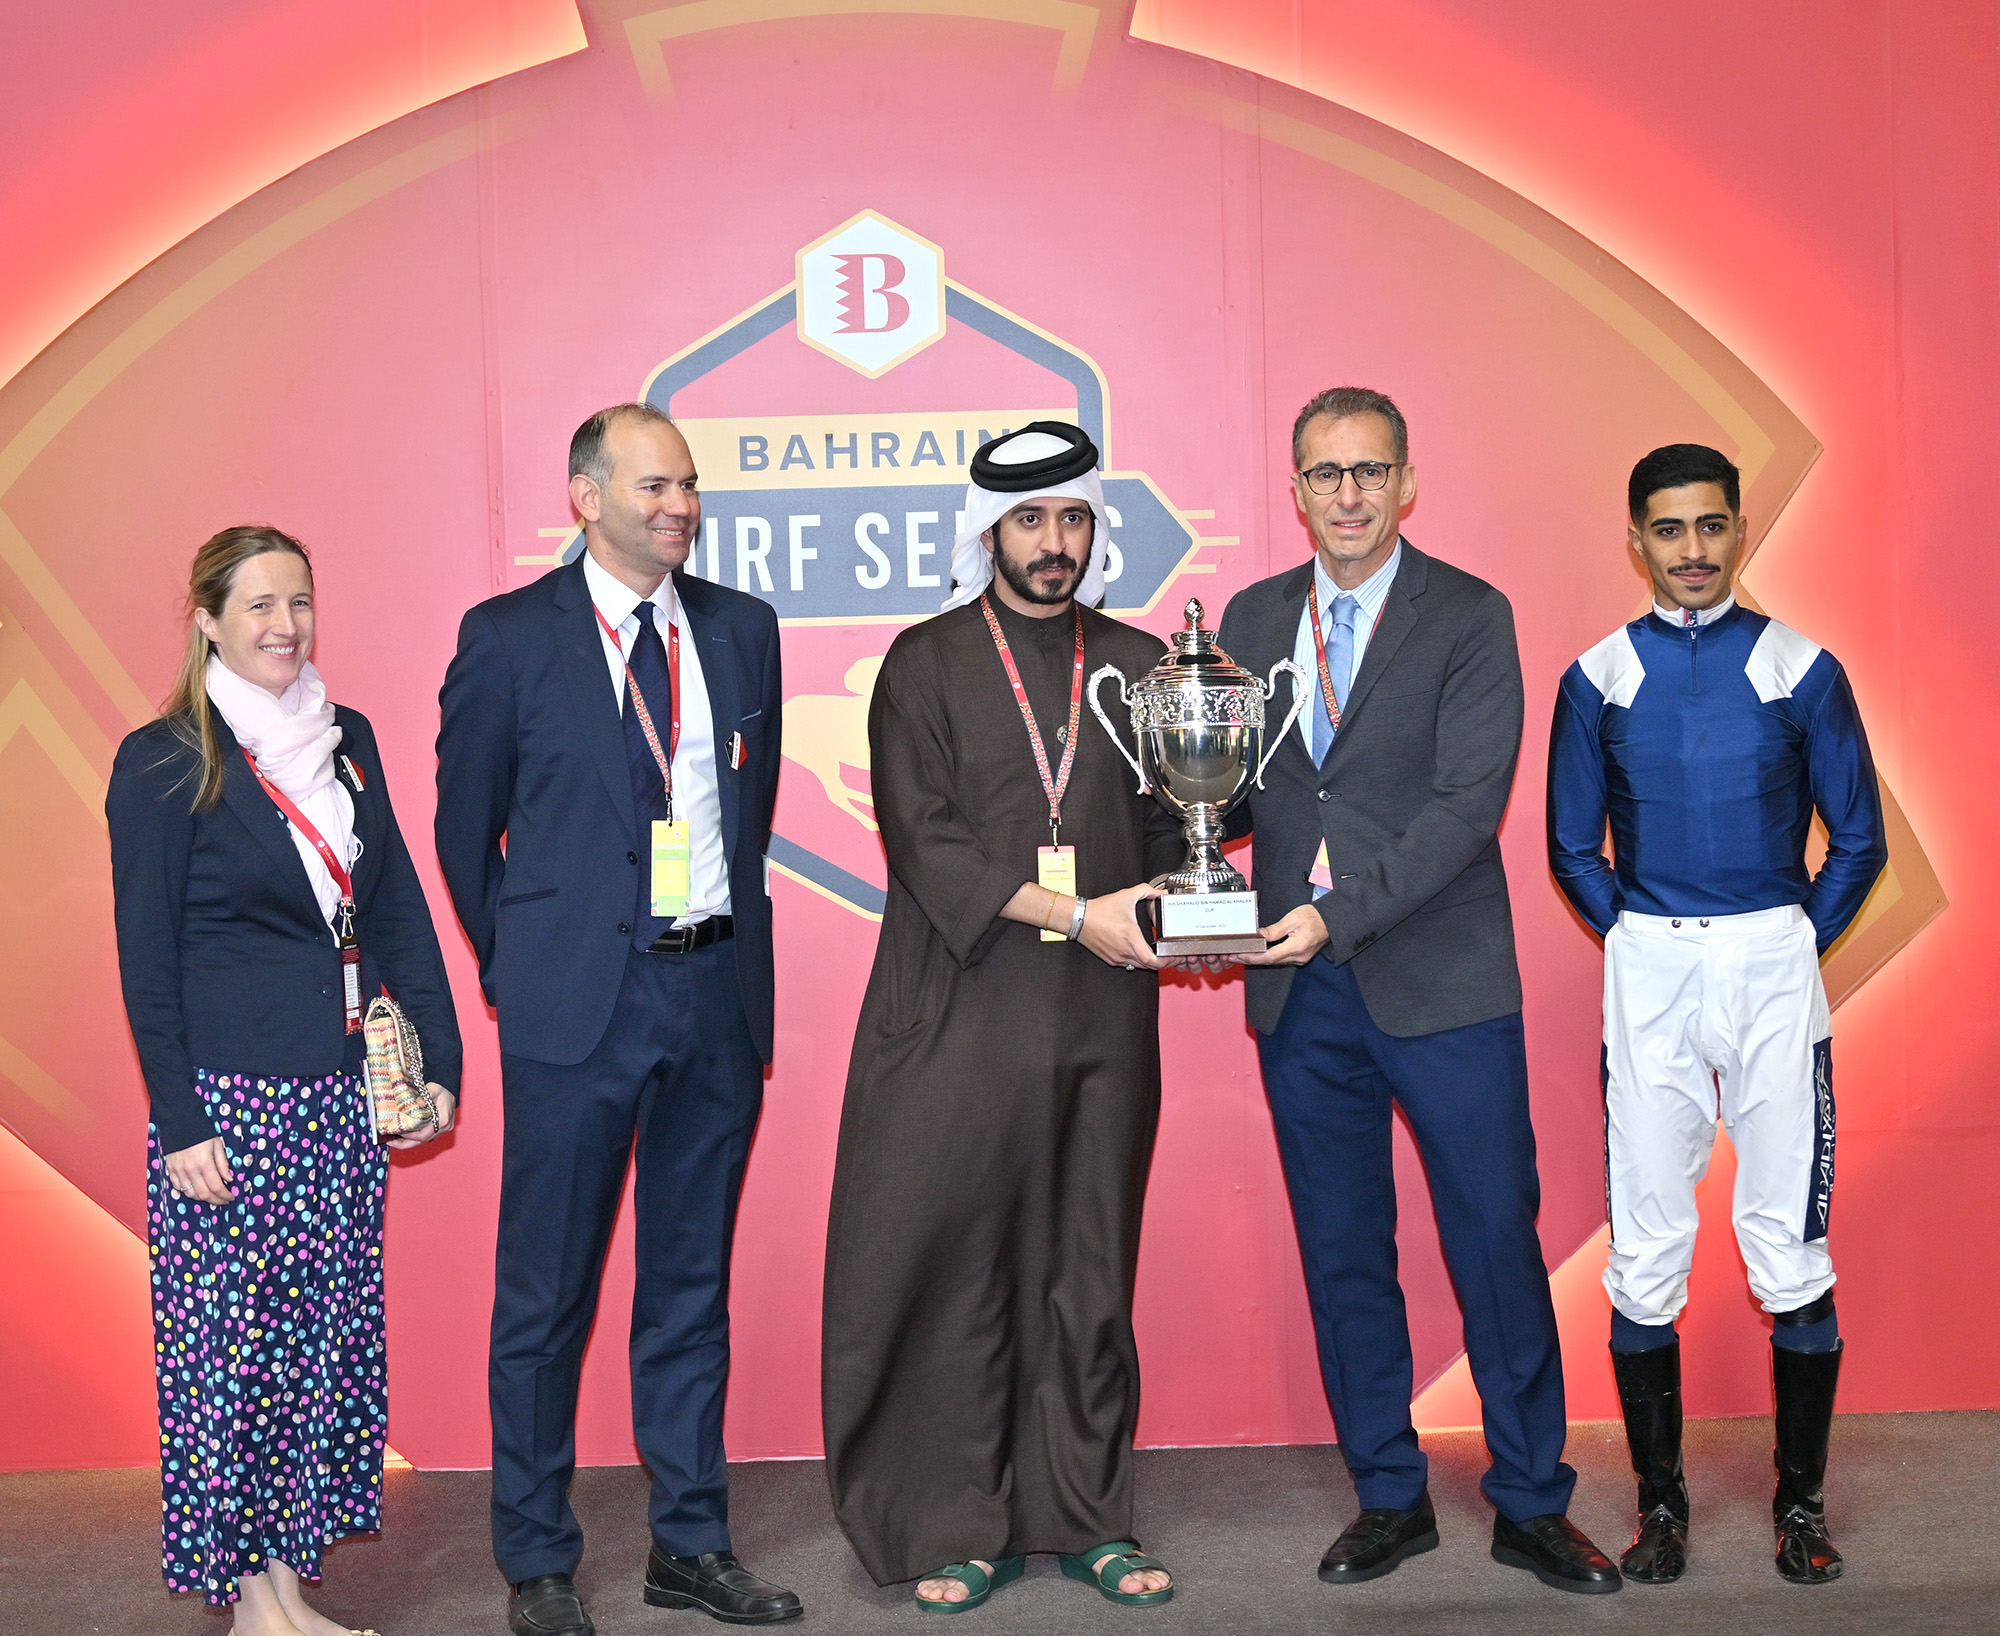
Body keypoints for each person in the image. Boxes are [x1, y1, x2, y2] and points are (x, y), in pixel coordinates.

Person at [1214, 387, 1620, 1595]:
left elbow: (1462, 810)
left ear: (1405, 483)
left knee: (1493, 1239)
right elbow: (1229, 793)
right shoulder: (1250, 616)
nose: (1346, 494)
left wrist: (1331, 914)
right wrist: (1167, 859)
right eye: (1324, 473)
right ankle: (1386, 1493)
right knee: (1343, 1249)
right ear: (1295, 490)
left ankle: (1530, 1499)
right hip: (1299, 996)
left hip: (1441, 982)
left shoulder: (1468, 614)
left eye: (1368, 471)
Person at [435, 404, 796, 1634]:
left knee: (689, 1288)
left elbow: (746, 815)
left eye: (687, 484)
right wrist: (522, 964)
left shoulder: (742, 629)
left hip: (711, 992)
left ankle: (689, 1543)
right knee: (546, 1297)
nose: (678, 505)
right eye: (652, 486)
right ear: (585, 497)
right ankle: (537, 1559)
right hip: (573, 1010)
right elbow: (462, 830)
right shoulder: (507, 637)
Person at [821, 423, 1182, 1613]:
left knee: (1089, 1268)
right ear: (987, 532)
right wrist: (1077, 914)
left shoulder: (1139, 665)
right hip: (959, 1012)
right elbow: (925, 845)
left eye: (1072, 518)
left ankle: (1087, 1515)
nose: (1053, 541)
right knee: (965, 1272)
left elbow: (1181, 827)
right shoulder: (922, 663)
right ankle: (960, 1521)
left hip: (1101, 1018)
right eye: (1029, 520)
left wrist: (1193, 876)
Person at [109, 525, 461, 1636]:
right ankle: (253, 1602)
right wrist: (180, 1121)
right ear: (207, 621)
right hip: (231, 1109)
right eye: (258, 604)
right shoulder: (164, 758)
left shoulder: (347, 740)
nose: (285, 624)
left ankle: (285, 1587)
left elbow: (393, 906)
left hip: (338, 1098)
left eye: (299, 601)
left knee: (319, 1349)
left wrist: (438, 1060)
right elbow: (146, 957)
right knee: (234, 1361)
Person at [1547, 443, 1886, 1586]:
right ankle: (1660, 1506)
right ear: (1633, 540)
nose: (1689, 549)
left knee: (1789, 1242)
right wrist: (1643, 939)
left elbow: (1858, 839)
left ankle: (1799, 1505)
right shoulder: (1596, 675)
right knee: (1645, 1245)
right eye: (1667, 528)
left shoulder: (1800, 667)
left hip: (1770, 962)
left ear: (1737, 529)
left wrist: (1786, 938)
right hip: (1648, 964)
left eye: (1708, 526)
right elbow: (1568, 844)